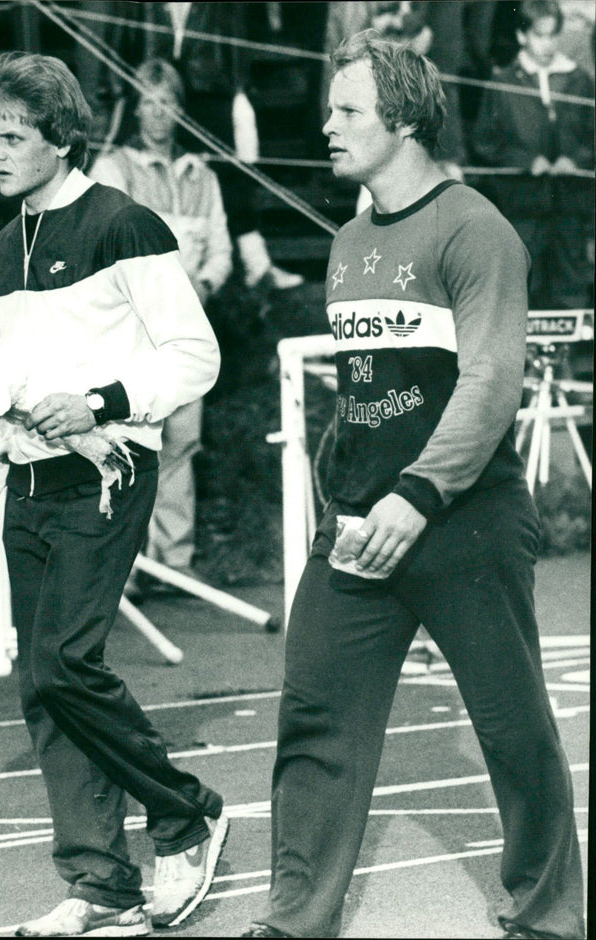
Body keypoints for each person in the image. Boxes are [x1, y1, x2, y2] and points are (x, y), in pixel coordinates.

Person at [242, 30, 584, 940]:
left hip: (462, 519)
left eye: (347, 110)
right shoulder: (350, 238)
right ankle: (295, 919)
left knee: (512, 731)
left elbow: (488, 382)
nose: (327, 126)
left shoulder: (475, 227)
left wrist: (420, 492)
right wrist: (345, 496)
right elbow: (369, 392)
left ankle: (551, 915)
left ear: (402, 119)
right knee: (315, 717)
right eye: (329, 109)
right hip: (361, 523)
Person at [0, 52, 228, 938]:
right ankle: (101, 881)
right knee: (42, 686)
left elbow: (193, 356)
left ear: (61, 138)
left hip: (107, 473)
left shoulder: (124, 225)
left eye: (13, 136)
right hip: (25, 486)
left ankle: (186, 813)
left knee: (65, 664)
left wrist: (100, 402)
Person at [89, 58, 233, 596]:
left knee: (182, 441)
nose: (159, 113)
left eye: (168, 102)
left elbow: (219, 248)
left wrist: (207, 286)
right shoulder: (114, 168)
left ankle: (174, 560)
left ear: (180, 110)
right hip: (131, 330)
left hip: (187, 330)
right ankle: (123, 567)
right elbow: (106, 249)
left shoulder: (203, 174)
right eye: (149, 101)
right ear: (136, 108)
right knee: (127, 439)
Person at [83, 2, 304, 291]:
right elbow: (120, 39)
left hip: (205, 87)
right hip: (153, 82)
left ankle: (255, 263)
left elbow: (232, 39)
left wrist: (238, 90)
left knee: (228, 164)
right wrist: (118, 94)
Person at [472, 0, 595, 310]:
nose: (548, 44)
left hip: (569, 208)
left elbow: (591, 136)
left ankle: (565, 356)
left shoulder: (579, 80)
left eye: (554, 35)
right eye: (540, 36)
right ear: (522, 35)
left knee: (571, 287)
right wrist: (525, 161)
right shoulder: (503, 84)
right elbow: (485, 142)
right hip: (522, 208)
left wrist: (576, 159)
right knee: (525, 287)